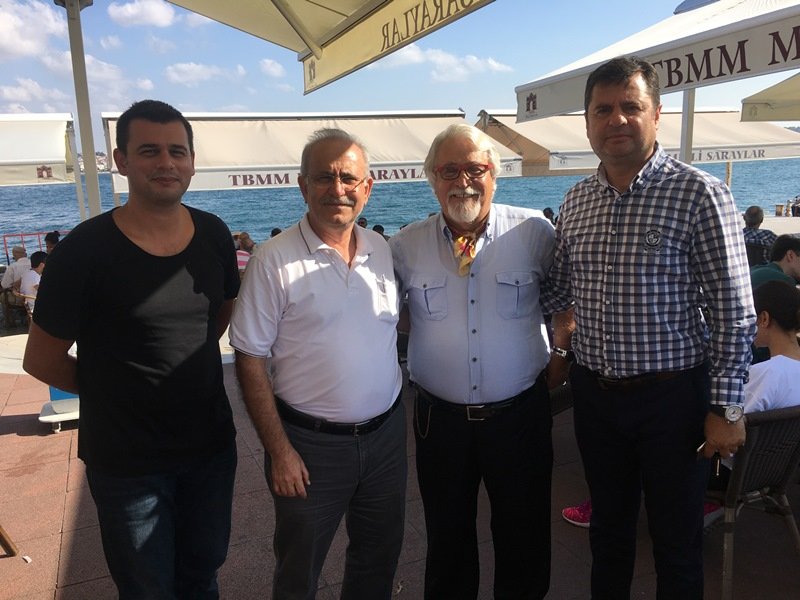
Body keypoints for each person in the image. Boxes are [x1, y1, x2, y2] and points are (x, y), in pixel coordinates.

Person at [541, 56, 756, 599]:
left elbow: (734, 309)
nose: (616, 119)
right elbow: (558, 290)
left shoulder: (700, 194)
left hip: (674, 401)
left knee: (676, 543)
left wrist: (727, 407)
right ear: (587, 122)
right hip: (596, 398)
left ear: (656, 115)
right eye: (602, 110)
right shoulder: (576, 201)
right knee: (608, 534)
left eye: (630, 107)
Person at [23, 99, 240, 599]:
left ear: (191, 161)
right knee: (146, 589)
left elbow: (219, 316)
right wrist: (112, 390)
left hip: (210, 449)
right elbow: (41, 358)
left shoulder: (213, 234)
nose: (166, 163)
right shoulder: (83, 251)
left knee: (203, 576)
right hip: (126, 463)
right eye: (149, 151)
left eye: (177, 151)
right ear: (120, 161)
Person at [229, 128, 406, 599]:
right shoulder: (272, 260)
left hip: (386, 437)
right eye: (325, 177)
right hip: (309, 446)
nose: (338, 189)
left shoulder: (381, 249)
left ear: (367, 188)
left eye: (349, 178)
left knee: (378, 558)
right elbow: (249, 359)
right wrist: (280, 452)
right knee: (299, 567)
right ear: (303, 186)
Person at [389, 123, 561, 599]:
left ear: (494, 175)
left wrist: (563, 353)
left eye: (475, 169)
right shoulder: (404, 246)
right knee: (447, 543)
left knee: (525, 539)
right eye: (449, 170)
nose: (462, 181)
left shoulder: (534, 232)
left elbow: (565, 297)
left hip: (520, 417)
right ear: (432, 179)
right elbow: (391, 315)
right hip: (439, 423)